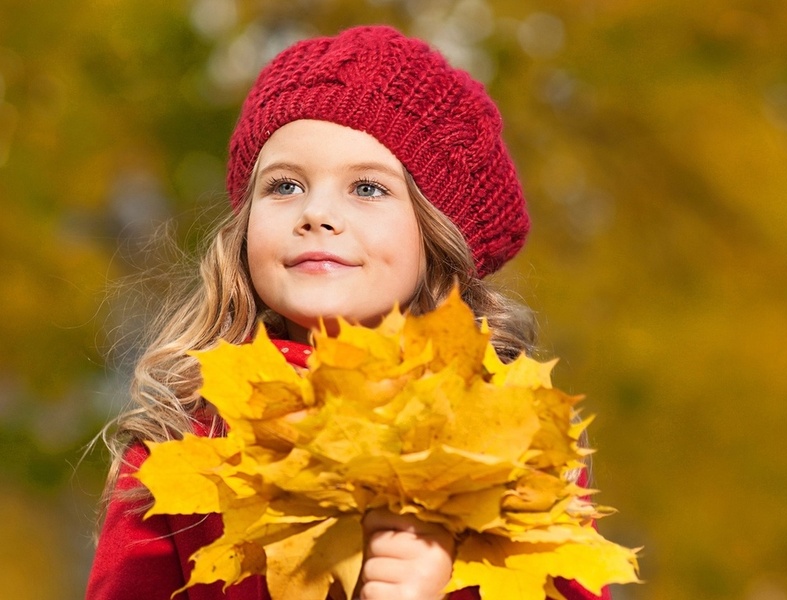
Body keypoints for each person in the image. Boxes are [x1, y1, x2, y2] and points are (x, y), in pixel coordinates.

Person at [87, 25, 610, 600]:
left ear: (436, 237)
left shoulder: (510, 446)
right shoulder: (181, 444)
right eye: (284, 185)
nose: (315, 213)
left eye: (367, 189)